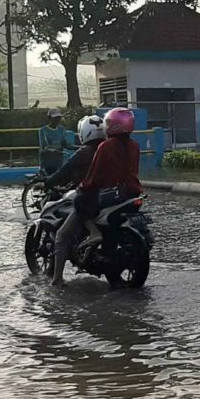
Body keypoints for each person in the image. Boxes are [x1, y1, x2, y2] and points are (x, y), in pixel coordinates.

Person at [51, 107, 143, 287]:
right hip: (130, 194)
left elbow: (94, 176)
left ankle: (57, 279)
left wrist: (82, 187)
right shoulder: (135, 146)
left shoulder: (106, 147)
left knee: (65, 228)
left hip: (109, 196)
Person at [44, 115, 106, 190]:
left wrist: (49, 181)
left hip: (86, 192)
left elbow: (65, 170)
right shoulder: (109, 148)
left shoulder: (83, 152)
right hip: (108, 191)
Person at [39, 109, 74, 175]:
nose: (57, 120)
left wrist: (80, 147)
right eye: (55, 118)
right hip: (47, 163)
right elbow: (44, 147)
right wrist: (54, 151)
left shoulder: (61, 129)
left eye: (59, 118)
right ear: (49, 118)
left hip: (58, 162)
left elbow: (67, 144)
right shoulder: (43, 130)